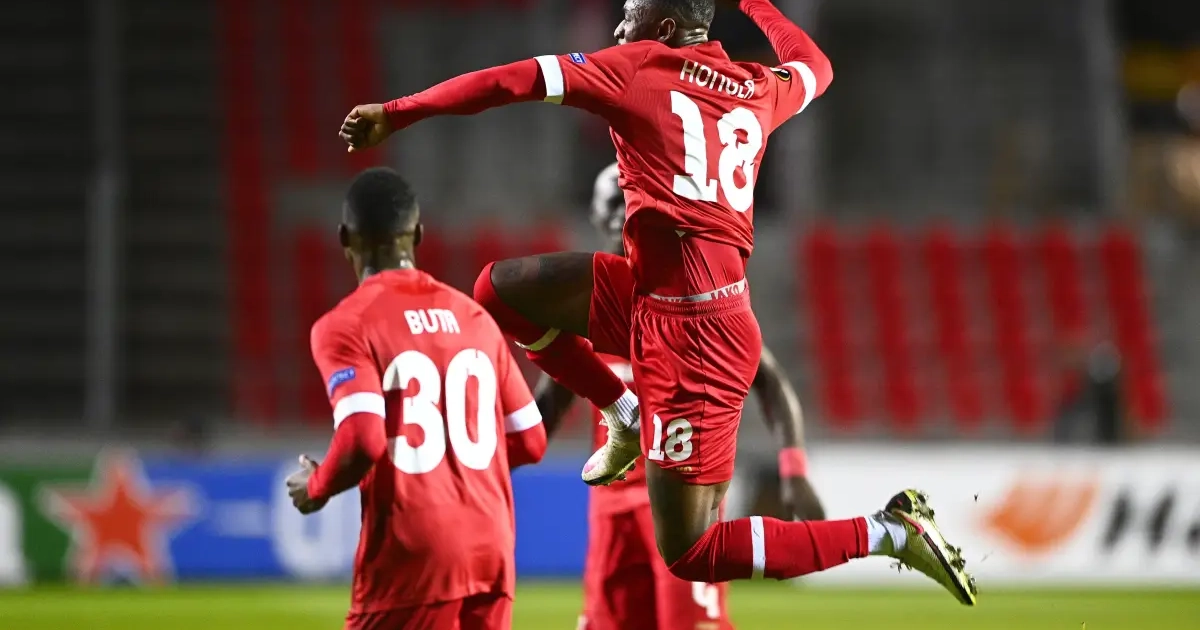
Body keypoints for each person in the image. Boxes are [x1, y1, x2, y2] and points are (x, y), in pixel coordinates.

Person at [338, 0, 977, 605]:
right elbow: (816, 65)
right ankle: (623, 411)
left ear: (664, 27)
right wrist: (755, 3)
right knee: (498, 292)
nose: (619, 28)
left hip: (699, 336)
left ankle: (889, 532)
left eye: (629, 15)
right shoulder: (757, 85)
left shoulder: (636, 69)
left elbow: (511, 80)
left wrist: (397, 112)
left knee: (691, 548)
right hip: (651, 296)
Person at [536, 163, 823, 630]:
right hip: (611, 512)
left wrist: (793, 470)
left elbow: (771, 382)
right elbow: (546, 410)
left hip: (682, 500)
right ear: (595, 216)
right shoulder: (583, 309)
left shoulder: (690, 292)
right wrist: (490, 466)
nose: (621, 213)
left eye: (628, 201)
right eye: (612, 203)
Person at [285, 167, 548, 630]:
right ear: (419, 234)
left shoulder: (344, 325)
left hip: (413, 554)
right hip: (491, 548)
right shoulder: (474, 318)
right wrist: (454, 467)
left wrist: (316, 486)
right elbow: (530, 440)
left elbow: (362, 440)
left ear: (344, 237)